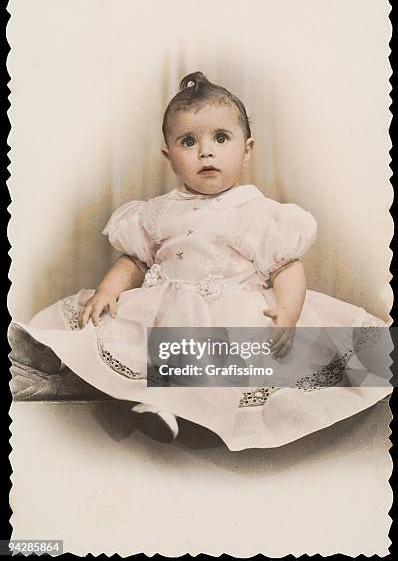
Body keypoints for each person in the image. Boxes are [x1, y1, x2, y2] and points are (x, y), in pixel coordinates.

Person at [9, 71, 391, 451]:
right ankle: (48, 363)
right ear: (169, 157)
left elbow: (286, 267)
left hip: (231, 316)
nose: (205, 151)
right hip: (164, 310)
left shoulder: (259, 213)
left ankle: (170, 412)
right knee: (112, 331)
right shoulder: (157, 212)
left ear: (246, 150)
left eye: (221, 138)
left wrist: (288, 313)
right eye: (188, 141)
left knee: (217, 365)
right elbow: (135, 260)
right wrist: (109, 290)